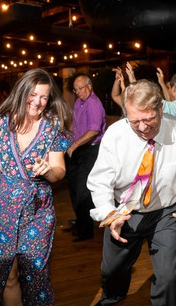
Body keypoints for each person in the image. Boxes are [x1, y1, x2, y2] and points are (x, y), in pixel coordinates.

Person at [86, 79, 176, 306]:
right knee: (113, 269)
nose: (142, 127)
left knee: (169, 279)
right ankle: (111, 297)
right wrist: (111, 214)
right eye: (134, 121)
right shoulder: (116, 135)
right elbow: (100, 182)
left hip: (167, 212)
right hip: (125, 210)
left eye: (148, 119)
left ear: (161, 109)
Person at [0, 68, 72, 306]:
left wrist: (49, 170)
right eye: (33, 95)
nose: (38, 102)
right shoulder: (0, 122)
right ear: (22, 92)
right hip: (0, 206)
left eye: (44, 97)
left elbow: (60, 172)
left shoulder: (52, 127)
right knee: (6, 272)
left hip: (37, 210)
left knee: (35, 273)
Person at [66, 74, 106, 241]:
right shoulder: (79, 102)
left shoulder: (94, 104)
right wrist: (68, 138)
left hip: (91, 150)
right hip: (79, 148)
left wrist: (74, 145)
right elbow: (74, 124)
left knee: (83, 190)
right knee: (74, 186)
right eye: (75, 89)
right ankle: (80, 221)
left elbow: (94, 131)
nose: (78, 92)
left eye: (80, 89)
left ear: (89, 87)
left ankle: (86, 230)